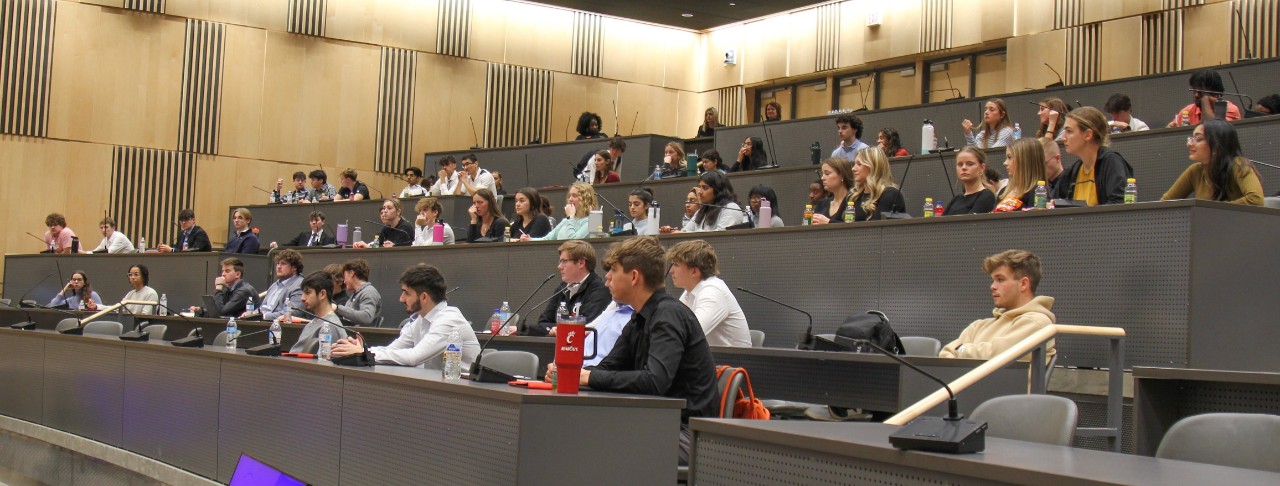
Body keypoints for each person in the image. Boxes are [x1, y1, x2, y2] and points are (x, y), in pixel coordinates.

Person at [545, 236, 717, 465]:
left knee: (592, 444)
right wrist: (571, 373)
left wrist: (588, 376)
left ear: (634, 276)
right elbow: (608, 366)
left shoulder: (669, 315)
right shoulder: (638, 317)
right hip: (654, 421)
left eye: (613, 270)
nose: (606, 277)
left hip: (685, 433)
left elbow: (655, 381)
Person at [331, 264, 480, 368]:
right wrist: (363, 351)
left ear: (424, 297)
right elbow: (392, 350)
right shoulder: (420, 320)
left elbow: (414, 357)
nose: (401, 299)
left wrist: (364, 354)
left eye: (406, 293)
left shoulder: (449, 320)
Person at [940, 250, 1056, 360]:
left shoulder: (1037, 323)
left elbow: (997, 358)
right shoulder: (978, 326)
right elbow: (946, 353)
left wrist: (961, 349)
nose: (992, 286)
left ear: (1023, 284)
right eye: (993, 280)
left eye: (1000, 280)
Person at [666, 240, 752, 347]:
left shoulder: (713, 291)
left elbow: (689, 334)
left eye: (676, 265)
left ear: (694, 272)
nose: (671, 271)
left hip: (733, 362)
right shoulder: (690, 292)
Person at [1161, 120, 1264, 205]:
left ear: (1217, 145)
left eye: (1198, 139)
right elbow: (1164, 204)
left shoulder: (1239, 164)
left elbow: (1255, 200)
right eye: (1191, 138)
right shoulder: (1195, 170)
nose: (1189, 143)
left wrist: (1209, 211)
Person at [524, 240, 612, 336]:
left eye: (564, 261)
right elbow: (542, 322)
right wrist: (555, 329)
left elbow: (585, 327)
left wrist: (558, 328)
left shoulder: (599, 291)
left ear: (581, 263)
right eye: (560, 261)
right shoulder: (562, 288)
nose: (559, 266)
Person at [1054, 107, 1134, 206]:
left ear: (1088, 135)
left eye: (1069, 131)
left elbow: (1118, 205)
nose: (1063, 138)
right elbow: (1057, 204)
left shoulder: (1111, 162)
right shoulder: (1072, 172)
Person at [287, 271, 348, 354]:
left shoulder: (330, 327)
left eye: (307, 293)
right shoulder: (314, 322)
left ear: (322, 294)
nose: (302, 298)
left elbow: (324, 363)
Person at [668, 171, 745, 232]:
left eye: (705, 188)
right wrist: (674, 232)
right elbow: (686, 232)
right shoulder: (702, 210)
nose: (700, 192)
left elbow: (721, 236)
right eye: (700, 187)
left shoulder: (730, 208)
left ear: (718, 190)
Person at [1167, 69, 1242, 127]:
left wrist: (1205, 99)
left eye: (1200, 92)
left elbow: (1213, 129)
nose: (1196, 95)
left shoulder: (1230, 109)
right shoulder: (1187, 111)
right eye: (1194, 91)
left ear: (1215, 92)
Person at [847, 147, 906, 221]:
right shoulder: (853, 196)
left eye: (859, 164)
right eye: (854, 164)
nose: (853, 168)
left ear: (873, 167)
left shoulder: (890, 195)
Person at [526, 182, 596, 241]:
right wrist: (529, 239)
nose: (570, 199)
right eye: (569, 196)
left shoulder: (592, 221)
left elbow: (573, 241)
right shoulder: (566, 220)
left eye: (574, 196)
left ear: (585, 199)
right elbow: (548, 238)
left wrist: (570, 217)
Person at [994, 138, 1048, 212]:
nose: (1005, 163)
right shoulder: (1003, 192)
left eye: (1009, 157)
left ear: (1024, 161)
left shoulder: (1038, 192)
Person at [943, 147, 997, 215]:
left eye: (970, 164)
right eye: (960, 164)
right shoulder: (956, 199)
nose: (964, 167)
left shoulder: (986, 195)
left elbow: (969, 224)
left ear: (982, 168)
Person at [254, 249, 304, 321]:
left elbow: (294, 312)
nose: (278, 267)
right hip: (261, 321)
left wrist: (264, 317)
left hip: (278, 325)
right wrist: (252, 314)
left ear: (294, 268)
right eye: (278, 263)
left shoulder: (299, 285)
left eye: (283, 264)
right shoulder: (274, 285)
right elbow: (263, 308)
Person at [581, 301, 633, 367]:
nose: (609, 290)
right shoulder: (614, 310)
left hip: (590, 371)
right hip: (577, 361)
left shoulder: (633, 322)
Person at [334, 259, 382, 327]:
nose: (344, 281)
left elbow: (367, 317)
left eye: (344, 277)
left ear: (351, 273)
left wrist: (338, 308)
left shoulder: (369, 292)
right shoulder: (357, 294)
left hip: (361, 335)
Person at [810, 158, 855, 224]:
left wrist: (828, 222)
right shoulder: (821, 205)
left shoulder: (855, 202)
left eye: (827, 174)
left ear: (842, 176)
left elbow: (854, 230)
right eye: (822, 174)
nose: (822, 178)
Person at [271, 210, 336, 249]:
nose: (313, 222)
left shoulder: (329, 239)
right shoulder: (303, 235)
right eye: (311, 220)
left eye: (316, 220)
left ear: (323, 222)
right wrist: (277, 247)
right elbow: (289, 246)